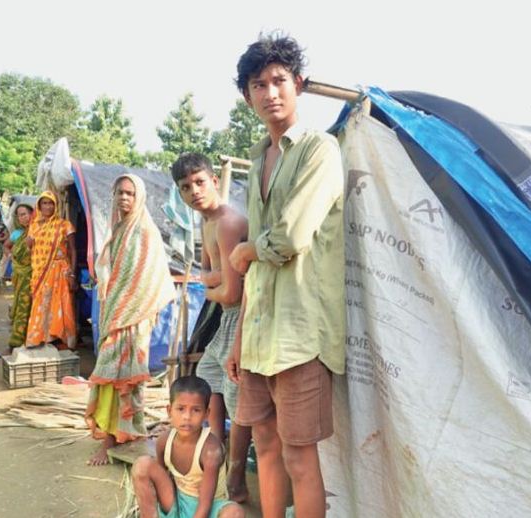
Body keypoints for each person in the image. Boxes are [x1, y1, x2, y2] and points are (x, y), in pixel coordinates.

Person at [226, 34, 346, 518]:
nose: (270, 92)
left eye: (279, 80)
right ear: (247, 96)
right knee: (266, 447)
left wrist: (245, 250)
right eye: (259, 84)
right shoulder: (259, 158)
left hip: (300, 335)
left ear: (298, 84)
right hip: (258, 336)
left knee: (299, 458)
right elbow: (257, 274)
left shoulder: (319, 149)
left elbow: (290, 236)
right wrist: (238, 338)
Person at [171, 153, 252, 503]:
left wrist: (211, 284)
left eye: (200, 182)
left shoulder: (229, 223)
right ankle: (216, 449)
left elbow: (230, 292)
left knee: (239, 399)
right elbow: (207, 276)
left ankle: (235, 470)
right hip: (226, 316)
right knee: (209, 377)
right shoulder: (206, 223)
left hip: (244, 315)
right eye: (186, 187)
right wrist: (213, 281)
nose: (194, 191)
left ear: (214, 181)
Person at [85, 174, 175, 466]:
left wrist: (126, 307)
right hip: (116, 314)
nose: (124, 198)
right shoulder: (119, 228)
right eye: (120, 192)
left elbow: (151, 277)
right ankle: (118, 436)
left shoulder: (144, 231)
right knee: (112, 377)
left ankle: (113, 440)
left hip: (133, 320)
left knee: (121, 379)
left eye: (130, 193)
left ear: (140, 198)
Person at [131, 376, 244, 518]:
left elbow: (205, 504)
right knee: (142, 465)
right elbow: (162, 479)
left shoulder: (210, 451)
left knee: (234, 513)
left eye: (196, 410)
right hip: (177, 501)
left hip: (209, 508)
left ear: (206, 414)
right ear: (169, 410)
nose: (187, 417)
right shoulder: (164, 441)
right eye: (180, 409)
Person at [25, 191, 77, 350]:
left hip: (60, 270)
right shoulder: (34, 226)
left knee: (60, 304)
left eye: (51, 203)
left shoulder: (64, 224)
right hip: (41, 271)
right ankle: (41, 337)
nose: (48, 207)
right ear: (39, 206)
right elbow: (31, 251)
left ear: (56, 205)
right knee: (42, 303)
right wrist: (29, 244)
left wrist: (72, 273)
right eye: (44, 203)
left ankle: (59, 338)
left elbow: (73, 250)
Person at [5, 202, 34, 351]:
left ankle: (26, 338)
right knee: (22, 306)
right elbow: (6, 245)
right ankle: (19, 339)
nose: (23, 218)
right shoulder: (17, 234)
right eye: (20, 215)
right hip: (20, 274)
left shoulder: (38, 230)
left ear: (32, 213)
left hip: (35, 274)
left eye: (25, 214)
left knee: (32, 307)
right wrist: (11, 256)